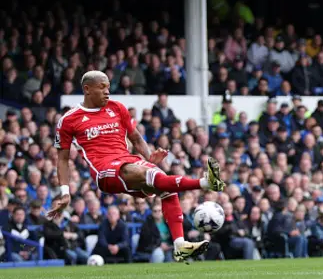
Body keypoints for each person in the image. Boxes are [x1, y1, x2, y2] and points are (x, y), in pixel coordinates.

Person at [47, 70, 225, 262]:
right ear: (87, 89)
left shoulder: (117, 108)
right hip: (104, 170)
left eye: (108, 87)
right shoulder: (69, 120)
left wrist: (150, 158)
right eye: (102, 87)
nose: (107, 92)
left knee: (165, 187)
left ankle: (180, 245)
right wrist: (65, 192)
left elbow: (136, 138)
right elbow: (63, 159)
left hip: (128, 159)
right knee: (152, 176)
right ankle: (206, 183)